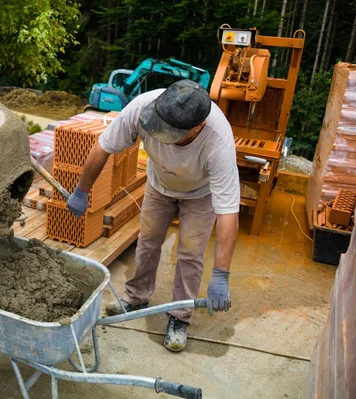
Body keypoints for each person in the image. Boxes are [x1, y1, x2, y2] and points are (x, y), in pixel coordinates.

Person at [67, 79, 239, 352]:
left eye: (170, 133)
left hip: (200, 194)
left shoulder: (218, 141)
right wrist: (81, 189)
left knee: (190, 254)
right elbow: (102, 148)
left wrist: (221, 274)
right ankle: (136, 297)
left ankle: (180, 316)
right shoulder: (142, 108)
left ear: (198, 127)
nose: (161, 136)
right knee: (147, 242)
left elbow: (228, 213)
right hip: (159, 186)